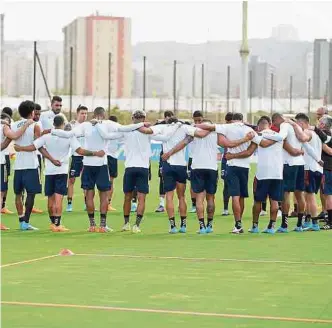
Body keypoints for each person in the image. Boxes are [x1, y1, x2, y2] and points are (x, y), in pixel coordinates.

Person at [54, 107, 147, 232]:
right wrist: (142, 123)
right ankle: (103, 225)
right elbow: (124, 128)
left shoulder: (86, 125)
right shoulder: (108, 124)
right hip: (102, 165)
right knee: (103, 196)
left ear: (94, 114)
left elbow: (69, 134)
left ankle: (92, 225)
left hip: (87, 164)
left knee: (89, 195)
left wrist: (52, 131)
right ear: (103, 115)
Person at [163, 119, 256, 234]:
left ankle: (202, 227)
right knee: (210, 198)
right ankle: (210, 225)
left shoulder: (194, 132)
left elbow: (183, 143)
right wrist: (244, 139)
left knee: (199, 198)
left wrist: (169, 153)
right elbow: (227, 144)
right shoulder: (216, 133)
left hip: (197, 167)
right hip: (212, 168)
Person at [14, 115, 104, 232]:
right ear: (62, 124)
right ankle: (57, 224)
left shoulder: (47, 136)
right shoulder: (68, 137)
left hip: (49, 171)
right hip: (61, 171)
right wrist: (95, 153)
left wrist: (21, 148)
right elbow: (80, 151)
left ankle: (52, 223)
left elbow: (34, 146)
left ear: (54, 124)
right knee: (59, 198)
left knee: (50, 198)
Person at [197, 113, 281, 234]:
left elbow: (208, 127)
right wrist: (278, 138)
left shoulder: (227, 127)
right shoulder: (249, 130)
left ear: (232, 120)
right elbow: (255, 148)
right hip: (246, 167)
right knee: (243, 196)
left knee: (235, 196)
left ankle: (238, 225)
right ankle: (269, 226)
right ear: (242, 120)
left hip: (233, 165)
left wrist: (195, 125)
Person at [96, 110, 178, 233]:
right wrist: (175, 127)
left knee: (128, 197)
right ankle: (136, 225)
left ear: (133, 118)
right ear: (143, 118)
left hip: (130, 167)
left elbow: (108, 136)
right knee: (141, 198)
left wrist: (98, 124)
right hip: (143, 168)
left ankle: (126, 223)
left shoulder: (127, 131)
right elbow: (165, 137)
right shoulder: (146, 132)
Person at [225, 116, 284, 233]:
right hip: (277, 172)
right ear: (270, 123)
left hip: (263, 172)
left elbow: (249, 152)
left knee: (258, 200)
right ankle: (271, 227)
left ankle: (255, 226)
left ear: (258, 126)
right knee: (274, 200)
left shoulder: (257, 135)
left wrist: (232, 156)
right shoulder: (279, 135)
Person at [11, 100, 56, 231]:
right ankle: (26, 222)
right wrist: (51, 158)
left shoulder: (14, 125)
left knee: (18, 194)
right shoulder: (36, 124)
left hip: (18, 165)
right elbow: (38, 145)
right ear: (32, 112)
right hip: (31, 164)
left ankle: (21, 221)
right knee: (31, 194)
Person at [287, 113, 324, 231]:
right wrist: (319, 160)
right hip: (316, 168)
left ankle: (314, 223)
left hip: (310, 168)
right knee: (307, 196)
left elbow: (303, 139)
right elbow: (310, 148)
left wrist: (292, 124)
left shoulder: (308, 132)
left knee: (310, 195)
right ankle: (308, 220)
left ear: (302, 123)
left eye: (297, 124)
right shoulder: (316, 134)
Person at [271, 113, 306, 233]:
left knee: (286, 194)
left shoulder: (285, 125)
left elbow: (281, 137)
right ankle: (299, 224)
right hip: (300, 163)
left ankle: (284, 225)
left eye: (274, 123)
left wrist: (266, 134)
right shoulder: (297, 126)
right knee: (299, 194)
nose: (274, 125)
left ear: (276, 120)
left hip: (289, 164)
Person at [0, 112, 35, 230]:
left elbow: (3, 145)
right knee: (1, 192)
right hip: (1, 163)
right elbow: (14, 136)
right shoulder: (4, 127)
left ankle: (21, 221)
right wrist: (26, 124)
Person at [66, 105, 88, 212]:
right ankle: (69, 204)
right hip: (76, 156)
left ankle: (86, 204)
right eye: (82, 113)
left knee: (86, 180)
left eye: (85, 113)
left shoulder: (89, 125)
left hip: (87, 157)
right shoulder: (72, 125)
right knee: (71, 180)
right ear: (77, 114)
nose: (84, 115)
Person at [312, 115, 332, 229]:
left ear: (323, 124)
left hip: (327, 168)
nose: (318, 123)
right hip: (328, 168)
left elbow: (329, 151)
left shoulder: (324, 135)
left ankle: (330, 222)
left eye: (319, 121)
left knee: (328, 195)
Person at [187, 110, 204, 213]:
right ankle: (194, 204)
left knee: (205, 183)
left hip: (203, 159)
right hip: (192, 158)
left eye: (199, 120)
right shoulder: (190, 129)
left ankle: (201, 203)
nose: (198, 122)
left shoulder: (207, 128)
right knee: (192, 183)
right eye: (196, 120)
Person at [105, 115, 122, 212]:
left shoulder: (107, 128)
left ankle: (106, 203)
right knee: (110, 181)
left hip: (108, 156)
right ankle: (107, 203)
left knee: (107, 181)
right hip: (110, 156)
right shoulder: (117, 129)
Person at [316, 107, 329, 220]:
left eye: (319, 115)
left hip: (328, 165)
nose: (317, 117)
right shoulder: (320, 132)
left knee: (327, 190)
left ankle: (328, 213)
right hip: (322, 164)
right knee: (323, 189)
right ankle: (325, 211)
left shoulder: (326, 133)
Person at [1, 107, 14, 214]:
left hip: (5, 156)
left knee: (5, 182)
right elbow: (13, 136)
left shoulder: (6, 124)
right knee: (3, 186)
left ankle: (3, 206)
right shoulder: (6, 125)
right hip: (3, 158)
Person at [220, 112, 233, 216]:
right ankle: (225, 208)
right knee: (227, 185)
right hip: (225, 159)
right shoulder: (224, 129)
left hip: (234, 159)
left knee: (232, 185)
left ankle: (231, 207)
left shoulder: (237, 130)